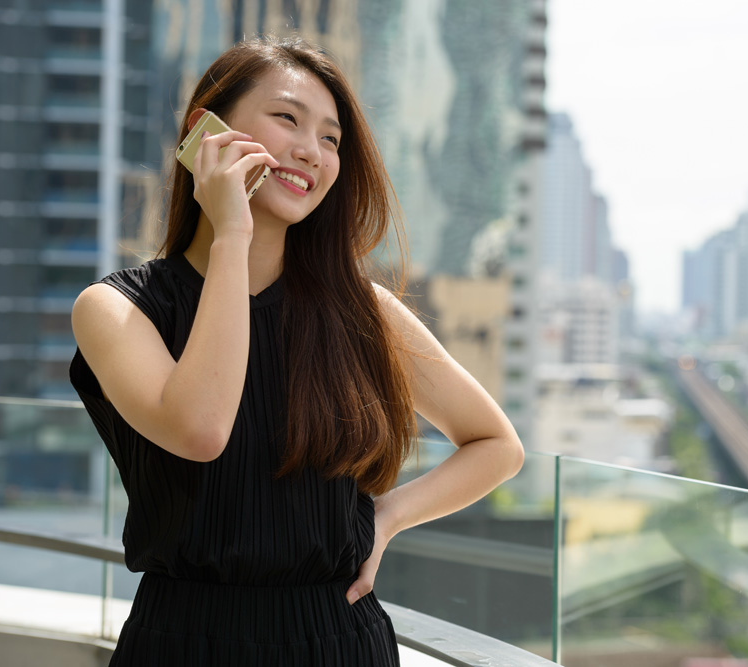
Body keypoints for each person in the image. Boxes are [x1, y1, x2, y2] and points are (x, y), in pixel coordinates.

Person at [69, 35, 524, 666]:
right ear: (205, 131)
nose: (311, 151)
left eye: (332, 138)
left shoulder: (361, 312)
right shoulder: (117, 309)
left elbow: (497, 445)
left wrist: (384, 519)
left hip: (338, 639)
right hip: (183, 642)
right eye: (287, 118)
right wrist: (232, 232)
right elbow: (201, 429)